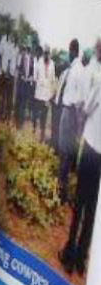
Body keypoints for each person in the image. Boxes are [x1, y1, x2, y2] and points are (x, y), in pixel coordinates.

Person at [62, 38, 101, 274]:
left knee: (80, 203)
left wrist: (82, 115)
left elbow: (87, 106)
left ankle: (69, 255)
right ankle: (81, 261)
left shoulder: (97, 75)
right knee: (92, 209)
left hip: (91, 146)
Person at [58, 39, 87, 200]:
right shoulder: (75, 69)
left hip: (70, 113)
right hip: (68, 112)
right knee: (65, 152)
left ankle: (62, 191)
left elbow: (79, 101)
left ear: (73, 51)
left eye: (69, 51)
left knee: (67, 153)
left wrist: (77, 125)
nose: (68, 54)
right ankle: (61, 188)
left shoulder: (78, 70)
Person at [35, 48, 57, 140]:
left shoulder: (52, 64)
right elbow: (36, 76)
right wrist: (40, 83)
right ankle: (39, 130)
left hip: (47, 95)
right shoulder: (39, 62)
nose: (46, 55)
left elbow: (52, 79)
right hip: (39, 93)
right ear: (43, 54)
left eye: (48, 53)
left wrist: (52, 92)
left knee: (44, 114)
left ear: (49, 54)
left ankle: (42, 133)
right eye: (45, 53)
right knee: (39, 114)